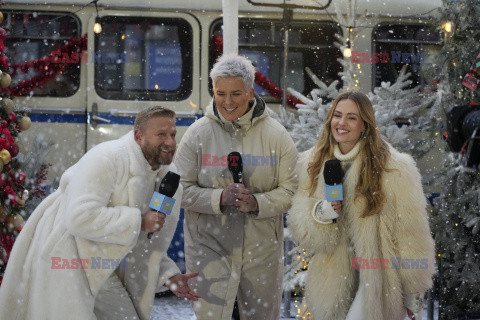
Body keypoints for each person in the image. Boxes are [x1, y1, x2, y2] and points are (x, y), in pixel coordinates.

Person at [0, 106, 200, 320]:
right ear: (138, 136)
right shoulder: (106, 158)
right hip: (70, 256)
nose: (170, 142)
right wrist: (138, 221)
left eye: (172, 134)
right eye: (161, 135)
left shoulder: (169, 180)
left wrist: (168, 275)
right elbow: (79, 218)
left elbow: (149, 242)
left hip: (106, 263)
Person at [287, 91, 435, 320]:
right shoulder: (312, 163)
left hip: (378, 279)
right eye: (337, 115)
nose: (341, 123)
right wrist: (321, 214)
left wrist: (412, 291)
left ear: (365, 124)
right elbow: (300, 226)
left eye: (351, 117)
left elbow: (411, 234)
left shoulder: (395, 168)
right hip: (332, 280)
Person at [174, 54, 298, 320]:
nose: (227, 102)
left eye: (236, 94)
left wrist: (257, 203)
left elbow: (291, 191)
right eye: (221, 93)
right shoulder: (197, 134)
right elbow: (178, 188)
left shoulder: (277, 136)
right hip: (209, 252)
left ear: (251, 92)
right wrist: (219, 198)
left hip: (260, 255)